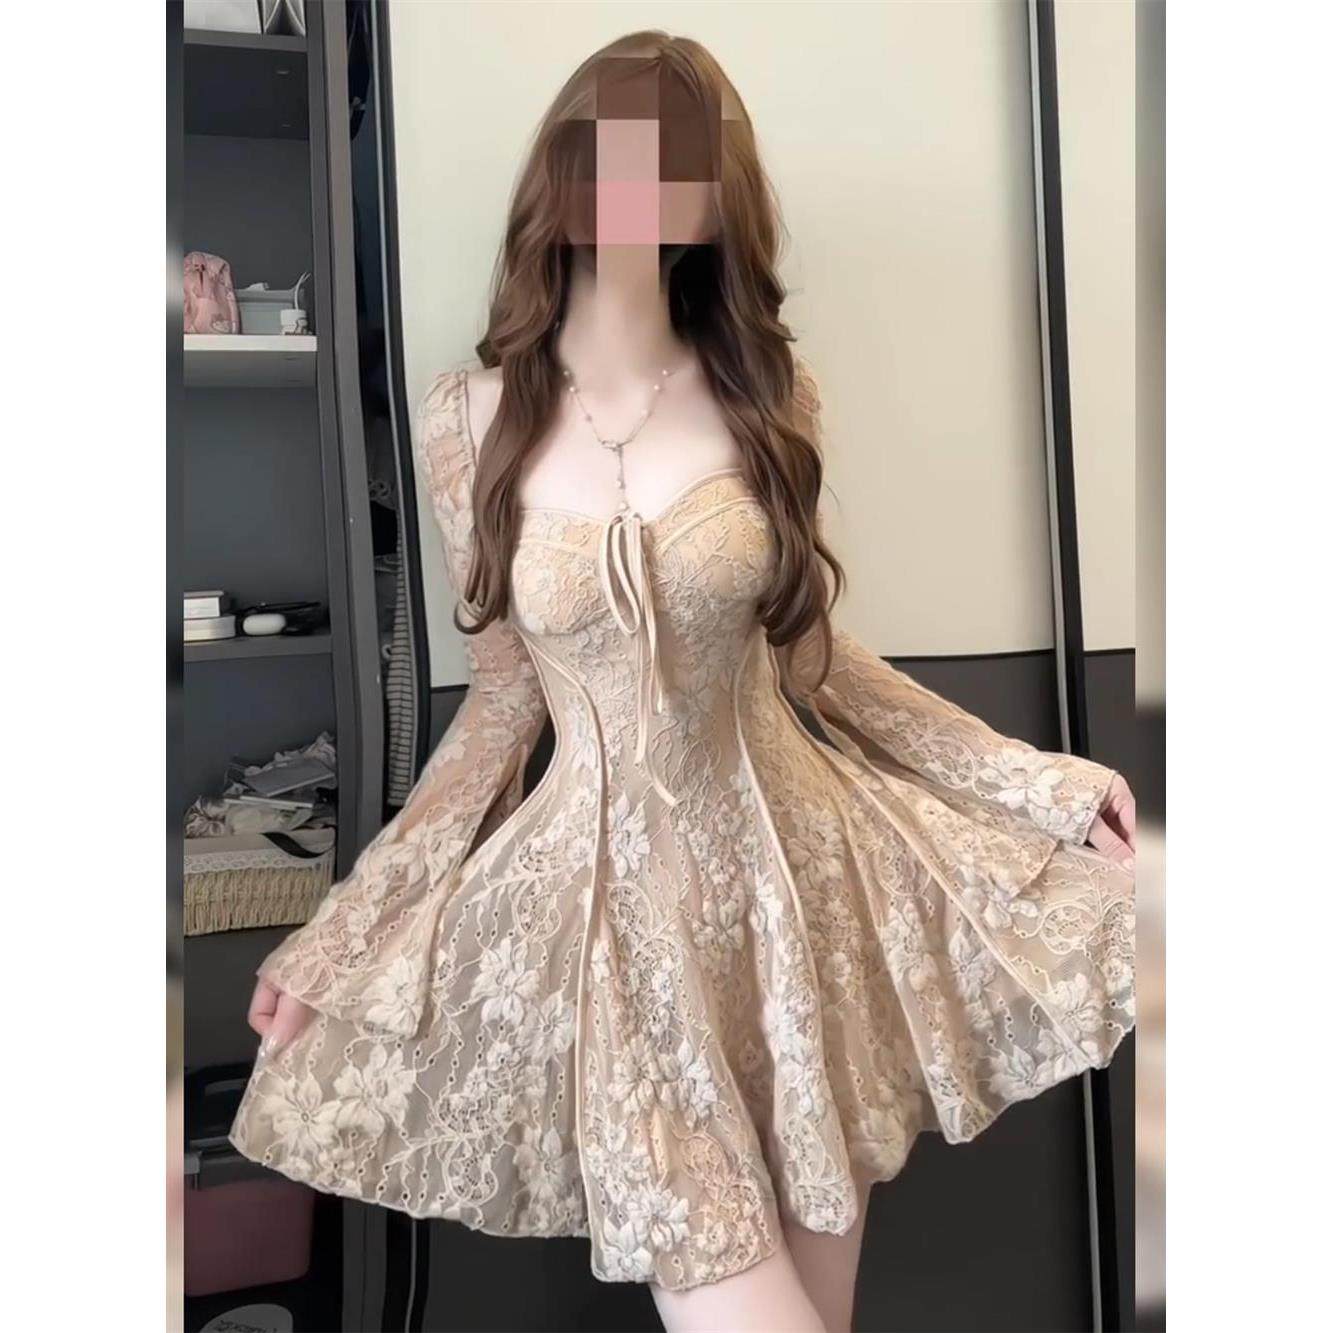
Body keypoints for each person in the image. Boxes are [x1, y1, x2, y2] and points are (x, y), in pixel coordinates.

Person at [229, 30, 1135, 1333]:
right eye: (613, 156)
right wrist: (351, 927)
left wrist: (1033, 781)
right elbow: (502, 705)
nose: (638, 194)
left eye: (678, 165)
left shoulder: (768, 394)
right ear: (559, 173)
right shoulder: (466, 419)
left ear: (717, 200)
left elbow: (815, 657)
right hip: (614, 942)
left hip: (803, 908)